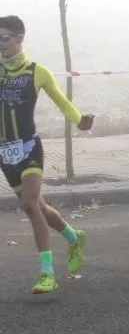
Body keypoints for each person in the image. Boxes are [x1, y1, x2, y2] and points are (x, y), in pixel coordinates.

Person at [0, 15, 94, 293]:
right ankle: (73, 236)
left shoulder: (37, 71)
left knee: (29, 205)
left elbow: (63, 103)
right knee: (38, 206)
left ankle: (47, 273)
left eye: (3, 38)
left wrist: (80, 121)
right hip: (5, 152)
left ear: (19, 39)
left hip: (29, 146)